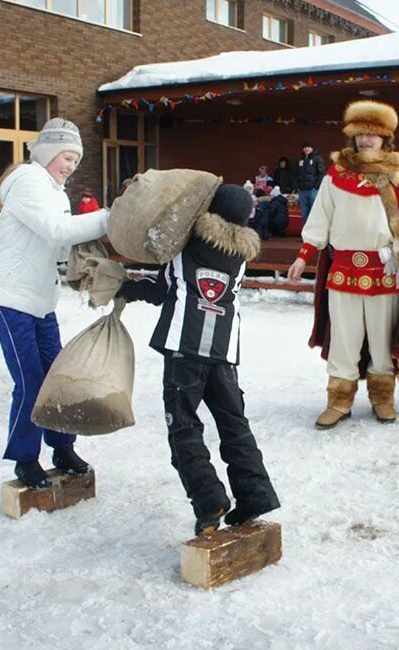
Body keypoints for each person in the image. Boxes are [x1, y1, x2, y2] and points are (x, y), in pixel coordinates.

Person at [118, 185, 280, 536]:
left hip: (184, 350)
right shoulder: (240, 256)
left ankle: (209, 500)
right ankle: (255, 495)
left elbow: (161, 290)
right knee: (234, 424)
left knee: (184, 427)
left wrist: (126, 289)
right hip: (224, 355)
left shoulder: (184, 246)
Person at [287, 100, 399, 428]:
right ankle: (339, 401)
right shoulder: (335, 173)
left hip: (384, 271)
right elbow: (320, 218)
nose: (364, 140)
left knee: (382, 341)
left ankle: (382, 398)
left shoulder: (397, 173)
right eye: (360, 134)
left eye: (372, 135)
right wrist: (304, 255)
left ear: (385, 138)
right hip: (343, 270)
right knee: (344, 338)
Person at [0, 118, 110, 489]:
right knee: (31, 381)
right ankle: (25, 459)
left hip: (40, 300)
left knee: (57, 378)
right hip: (12, 298)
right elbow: (56, 230)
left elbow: (59, 242)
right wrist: (107, 218)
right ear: (46, 153)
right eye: (65, 157)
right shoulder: (28, 181)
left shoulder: (55, 190)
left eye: (75, 159)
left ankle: (62, 448)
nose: (70, 166)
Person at [296, 140, 325, 224]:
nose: (306, 149)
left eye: (308, 147)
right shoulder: (300, 160)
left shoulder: (318, 159)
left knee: (315, 212)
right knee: (304, 214)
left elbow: (321, 173)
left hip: (312, 190)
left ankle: (316, 233)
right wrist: (298, 186)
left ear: (312, 148)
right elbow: (297, 174)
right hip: (302, 191)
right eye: (305, 147)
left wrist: (316, 186)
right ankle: (306, 234)